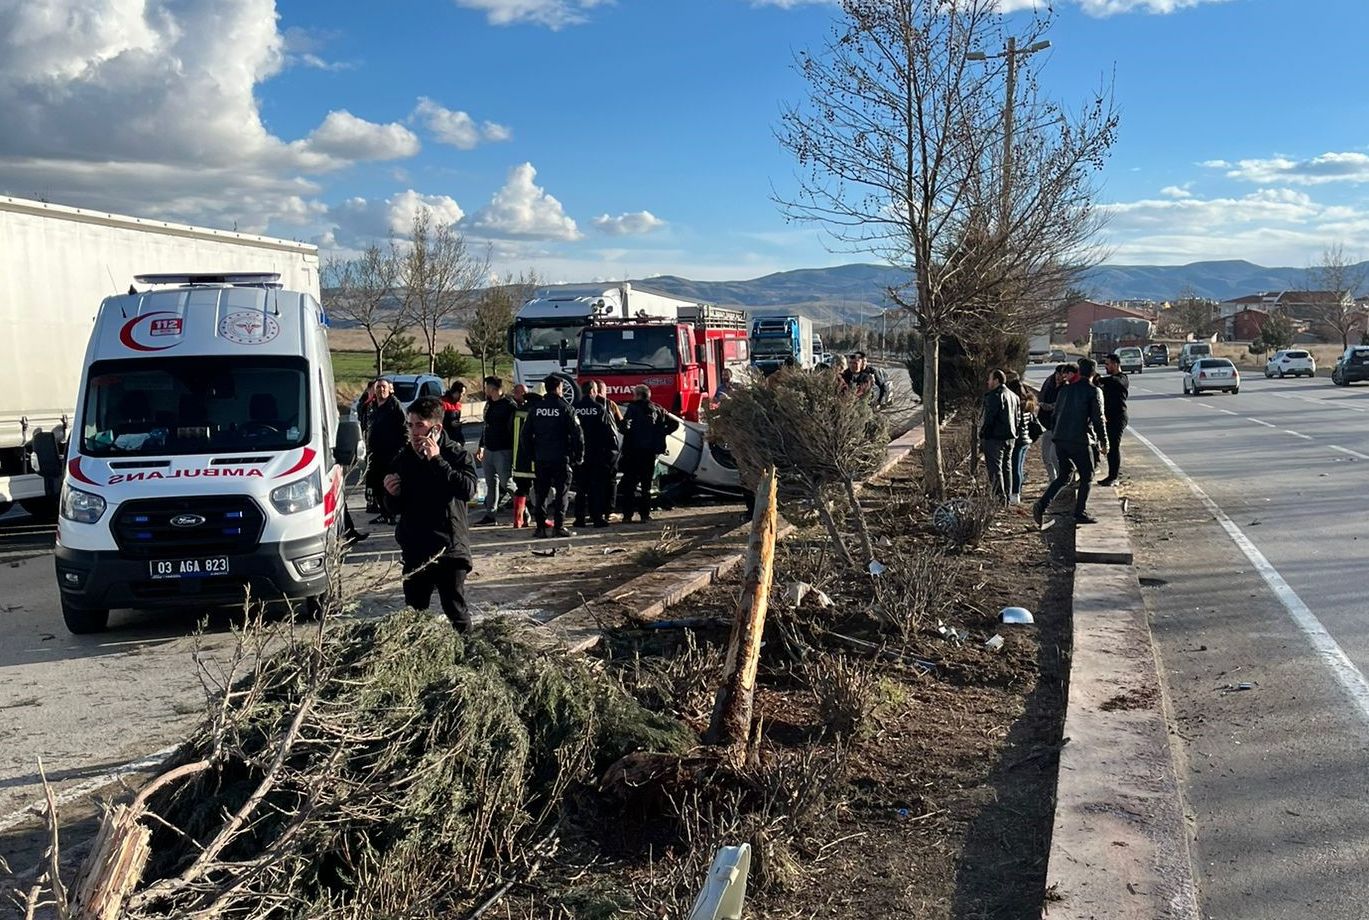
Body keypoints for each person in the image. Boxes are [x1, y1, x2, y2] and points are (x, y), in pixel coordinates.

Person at [382, 396, 478, 631]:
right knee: (413, 614)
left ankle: (470, 655)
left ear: (436, 428)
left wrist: (437, 460)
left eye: (419, 425)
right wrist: (390, 494)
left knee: (455, 610)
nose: (413, 432)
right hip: (415, 549)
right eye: (410, 425)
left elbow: (468, 490)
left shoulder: (456, 455)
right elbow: (394, 509)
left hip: (449, 549)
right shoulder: (404, 457)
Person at [1033, 357, 1108, 527]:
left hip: (1060, 438)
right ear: (1094, 373)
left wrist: (1058, 434)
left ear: (1079, 372)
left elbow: (1055, 414)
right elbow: (1098, 419)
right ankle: (1080, 512)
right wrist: (1104, 441)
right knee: (1087, 475)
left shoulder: (1065, 390)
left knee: (1065, 474)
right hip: (1079, 440)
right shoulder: (1094, 391)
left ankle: (1042, 504)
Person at [523, 375, 584, 538]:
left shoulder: (536, 408)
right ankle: (559, 526)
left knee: (541, 494)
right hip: (561, 457)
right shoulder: (565, 407)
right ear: (558, 388)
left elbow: (525, 435)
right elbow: (578, 435)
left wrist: (531, 455)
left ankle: (540, 528)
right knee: (562, 493)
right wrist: (578, 456)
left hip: (541, 458)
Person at [618, 384, 679, 523]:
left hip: (632, 452)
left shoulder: (632, 409)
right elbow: (674, 424)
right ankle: (645, 515)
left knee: (630, 485)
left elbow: (623, 427)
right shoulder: (657, 408)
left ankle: (627, 516)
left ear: (638, 395)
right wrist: (661, 433)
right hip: (650, 453)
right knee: (646, 485)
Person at [572, 380, 622, 528]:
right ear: (594, 391)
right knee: (596, 488)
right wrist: (612, 453)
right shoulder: (599, 408)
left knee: (581, 488)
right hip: (597, 454)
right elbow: (610, 433)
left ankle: (579, 519)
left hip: (579, 455)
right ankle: (596, 517)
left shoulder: (574, 408)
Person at [474, 376, 517, 526]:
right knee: (491, 484)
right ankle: (490, 515)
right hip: (489, 449)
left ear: (493, 388)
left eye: (486, 387)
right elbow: (486, 426)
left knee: (507, 483)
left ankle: (523, 509)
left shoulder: (509, 405)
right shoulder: (489, 404)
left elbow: (514, 430)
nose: (484, 390)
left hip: (503, 450)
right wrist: (481, 445)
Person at [365, 378, 405, 524]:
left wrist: (401, 450)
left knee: (389, 484)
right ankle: (384, 512)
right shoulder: (374, 406)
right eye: (378, 387)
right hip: (376, 453)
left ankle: (392, 514)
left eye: (383, 387)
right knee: (376, 484)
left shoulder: (394, 405)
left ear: (390, 389)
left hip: (391, 453)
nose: (381, 390)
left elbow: (405, 428)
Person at [979, 369, 1020, 505]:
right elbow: (1017, 418)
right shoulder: (1014, 396)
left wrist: (983, 433)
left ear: (996, 380)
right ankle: (1007, 497)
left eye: (990, 379)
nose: (988, 382)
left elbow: (990, 418)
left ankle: (999, 499)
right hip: (1010, 437)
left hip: (995, 437)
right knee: (1007, 468)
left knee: (995, 469)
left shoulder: (995, 396)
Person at [1005, 375, 1040, 505]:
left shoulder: (1017, 406)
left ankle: (1015, 493)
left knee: (1014, 468)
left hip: (1018, 440)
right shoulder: (1028, 404)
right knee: (1018, 467)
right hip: (1026, 440)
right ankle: (1017, 491)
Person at [508, 383, 539, 528]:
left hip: (518, 460)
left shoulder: (517, 411)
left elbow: (509, 431)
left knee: (521, 490)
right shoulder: (537, 413)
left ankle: (518, 520)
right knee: (540, 490)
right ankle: (541, 518)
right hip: (534, 460)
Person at [1097, 354, 1130, 486]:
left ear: (1116, 364)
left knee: (1114, 447)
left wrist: (1100, 379)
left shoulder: (1122, 378)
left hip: (1118, 417)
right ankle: (1111, 475)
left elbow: (1116, 381)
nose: (1106, 366)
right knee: (1108, 446)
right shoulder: (1108, 380)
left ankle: (1113, 477)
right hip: (1108, 417)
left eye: (1108, 364)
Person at [1037, 363, 1072, 483]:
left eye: (1062, 375)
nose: (1059, 377)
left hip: (1059, 428)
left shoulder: (1066, 388)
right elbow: (1040, 396)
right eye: (1058, 374)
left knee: (1055, 456)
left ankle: (1062, 480)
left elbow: (1062, 405)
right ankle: (1053, 479)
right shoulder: (1048, 383)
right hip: (1047, 425)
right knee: (1046, 457)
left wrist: (1049, 406)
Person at [441, 381, 466, 447]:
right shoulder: (443, 403)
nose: (462, 396)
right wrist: (450, 424)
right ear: (456, 392)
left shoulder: (458, 404)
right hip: (445, 437)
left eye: (463, 394)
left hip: (456, 436)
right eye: (461, 394)